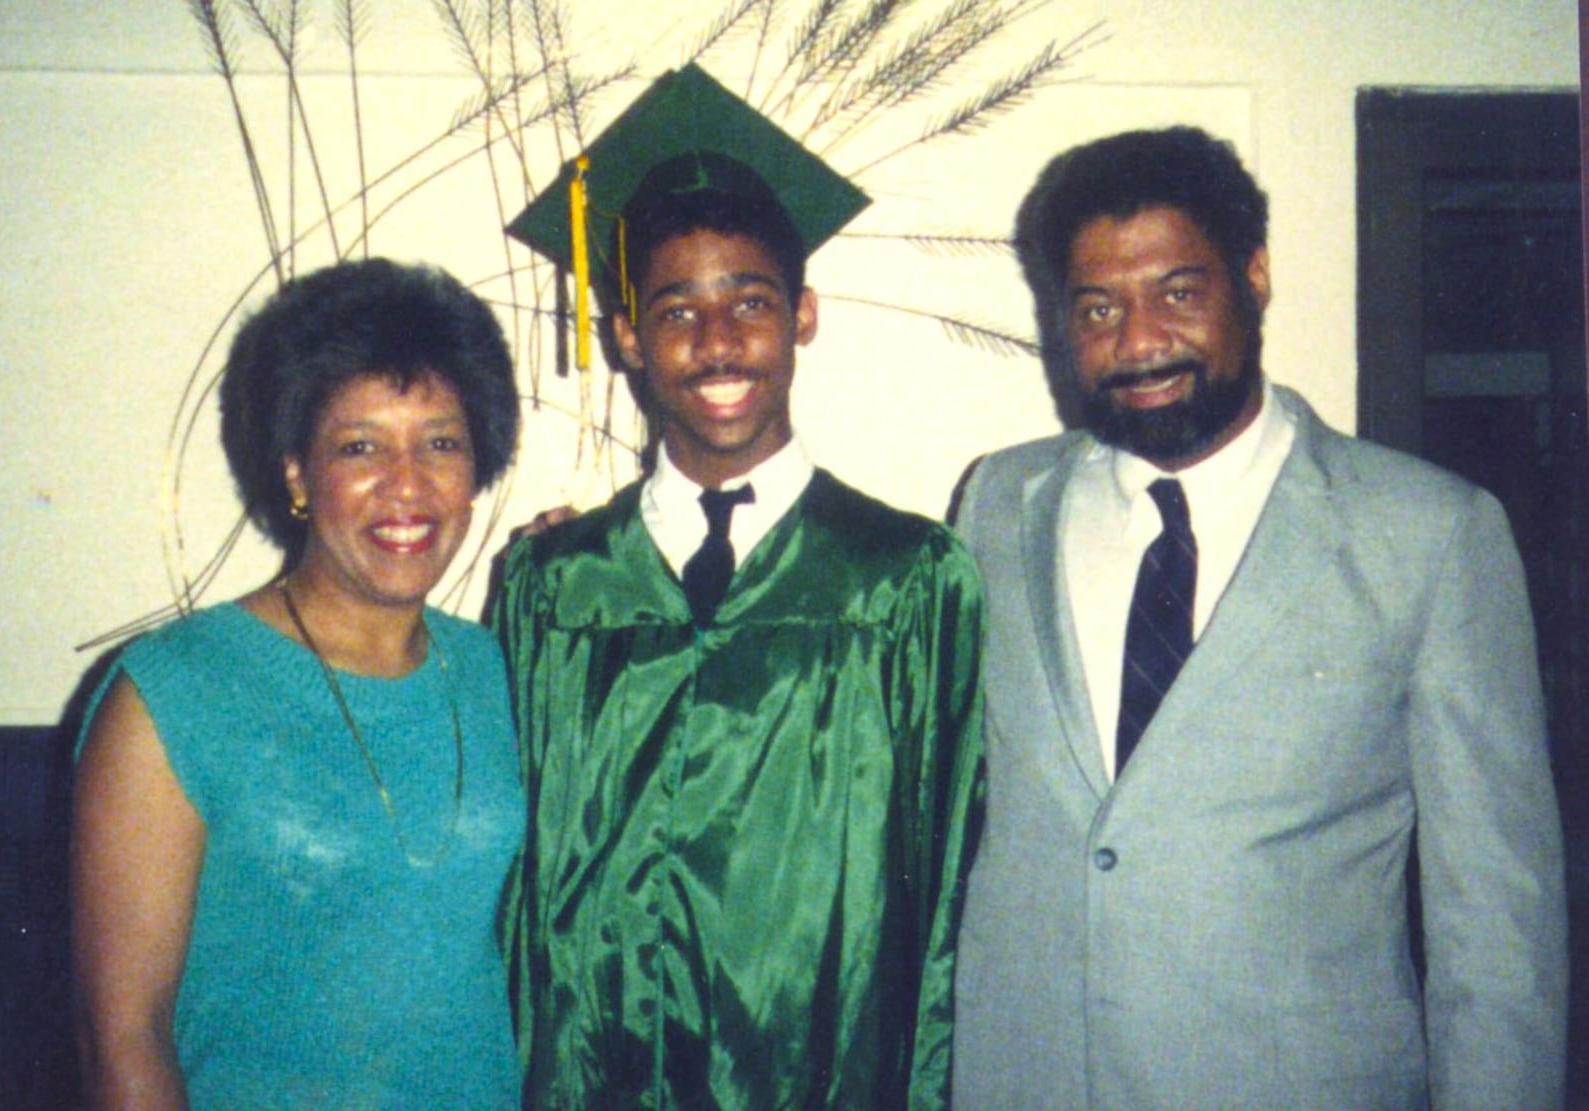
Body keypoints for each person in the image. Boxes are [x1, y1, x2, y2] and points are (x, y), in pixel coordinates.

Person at [950, 127, 1569, 1109]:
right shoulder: (996, 503)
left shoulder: (1431, 533)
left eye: (1177, 292)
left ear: (1255, 274)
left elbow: (1499, 928)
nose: (1139, 341)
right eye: (1099, 307)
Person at [489, 63, 985, 1108]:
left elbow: (942, 898)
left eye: (749, 301)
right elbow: (513, 894)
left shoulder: (907, 579)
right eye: (674, 310)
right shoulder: (550, 585)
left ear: (802, 315)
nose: (716, 341)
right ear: (625, 334)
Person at [70, 258, 525, 1109]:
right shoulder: (175, 692)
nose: (408, 485)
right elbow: (122, 1037)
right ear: (295, 474)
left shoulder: (505, 674)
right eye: (360, 446)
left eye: (441, 443)